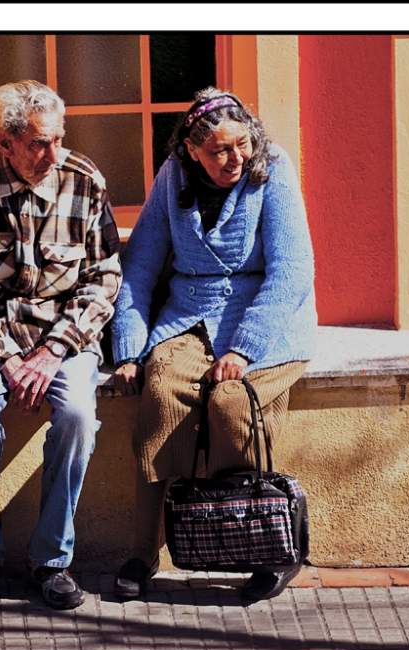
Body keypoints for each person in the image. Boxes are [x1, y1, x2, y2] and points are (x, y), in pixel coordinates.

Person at [110, 87, 317, 603]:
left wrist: (244, 348)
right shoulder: (172, 177)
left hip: (267, 323)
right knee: (160, 395)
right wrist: (130, 349)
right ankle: (142, 552)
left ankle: (267, 548)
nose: (236, 159)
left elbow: (292, 272)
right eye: (220, 150)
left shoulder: (273, 170)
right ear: (192, 150)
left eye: (242, 144)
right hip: (189, 317)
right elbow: (139, 265)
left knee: (230, 403)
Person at [0, 80, 122, 611]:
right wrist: (10, 356)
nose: (53, 153)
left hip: (64, 338)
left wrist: (51, 350)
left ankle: (53, 559)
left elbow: (103, 279)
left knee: (79, 416)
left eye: (58, 138)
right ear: (3, 143)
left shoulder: (84, 181)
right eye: (39, 143)